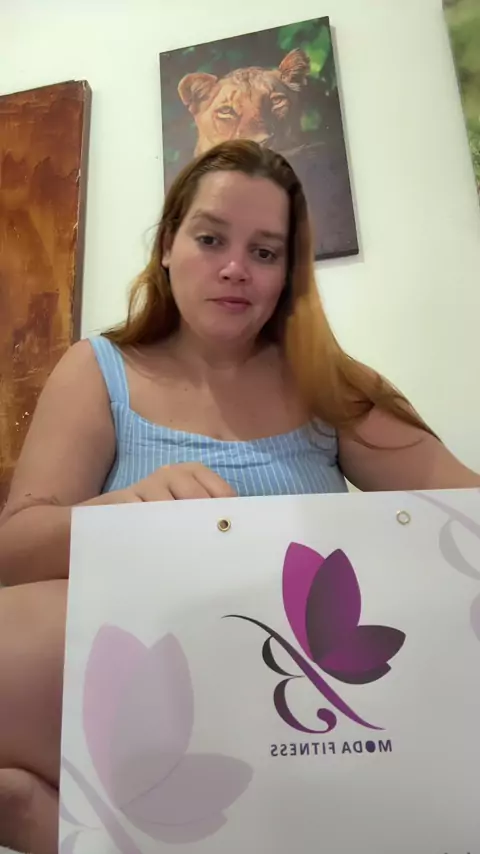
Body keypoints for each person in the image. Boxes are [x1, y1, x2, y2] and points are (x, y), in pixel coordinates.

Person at [0, 139, 478, 854]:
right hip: (155, 711)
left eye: (265, 251)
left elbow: (464, 514)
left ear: (288, 273)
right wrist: (126, 513)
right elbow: (14, 553)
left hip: (316, 717)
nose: (235, 268)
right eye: (210, 239)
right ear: (168, 245)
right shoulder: (97, 370)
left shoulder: (331, 385)